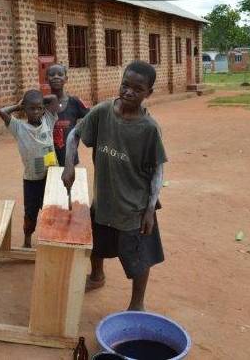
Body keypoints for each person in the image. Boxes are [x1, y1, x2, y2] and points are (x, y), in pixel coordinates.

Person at [62, 60, 167, 311]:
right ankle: (97, 276)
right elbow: (74, 134)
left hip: (134, 208)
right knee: (97, 243)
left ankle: (137, 304)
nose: (129, 92)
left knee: (138, 258)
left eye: (137, 89)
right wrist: (68, 165)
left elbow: (158, 170)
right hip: (105, 200)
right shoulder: (102, 112)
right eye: (125, 85)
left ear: (148, 93)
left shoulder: (149, 129)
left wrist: (150, 209)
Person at [0, 89, 59, 248]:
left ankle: (50, 241)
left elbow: (53, 99)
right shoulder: (18, 127)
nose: (36, 111)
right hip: (32, 180)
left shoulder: (48, 121)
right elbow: (2, 112)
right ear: (25, 110)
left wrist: (37, 98)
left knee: (51, 210)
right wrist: (19, 105)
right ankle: (27, 241)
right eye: (31, 108)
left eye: (39, 108)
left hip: (51, 177)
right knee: (30, 213)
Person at [46, 64, 89, 166]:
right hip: (48, 158)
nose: (56, 77)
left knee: (70, 180)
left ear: (66, 79)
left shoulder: (74, 102)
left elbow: (91, 116)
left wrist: (79, 130)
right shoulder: (43, 104)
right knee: (50, 178)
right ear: (46, 79)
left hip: (70, 159)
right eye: (52, 75)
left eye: (60, 74)